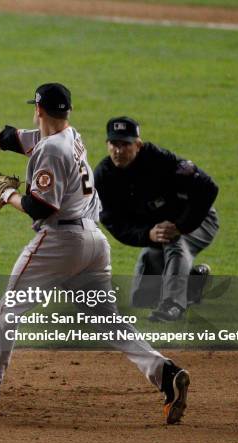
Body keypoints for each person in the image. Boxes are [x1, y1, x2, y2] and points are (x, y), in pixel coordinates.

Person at [0, 83, 190, 424]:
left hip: (60, 243)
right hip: (94, 244)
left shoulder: (51, 150)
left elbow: (40, 207)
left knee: (8, 313)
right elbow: (8, 138)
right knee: (109, 323)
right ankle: (166, 372)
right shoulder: (68, 136)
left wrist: (7, 194)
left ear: (38, 109)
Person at [94, 116, 219, 322]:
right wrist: (148, 235)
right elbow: (115, 223)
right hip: (158, 230)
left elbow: (207, 187)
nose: (118, 150)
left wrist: (181, 226)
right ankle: (194, 282)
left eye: (125, 144)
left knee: (174, 242)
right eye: (114, 144)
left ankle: (173, 305)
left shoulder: (161, 160)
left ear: (138, 144)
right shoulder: (104, 176)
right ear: (107, 145)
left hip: (199, 219)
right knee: (144, 298)